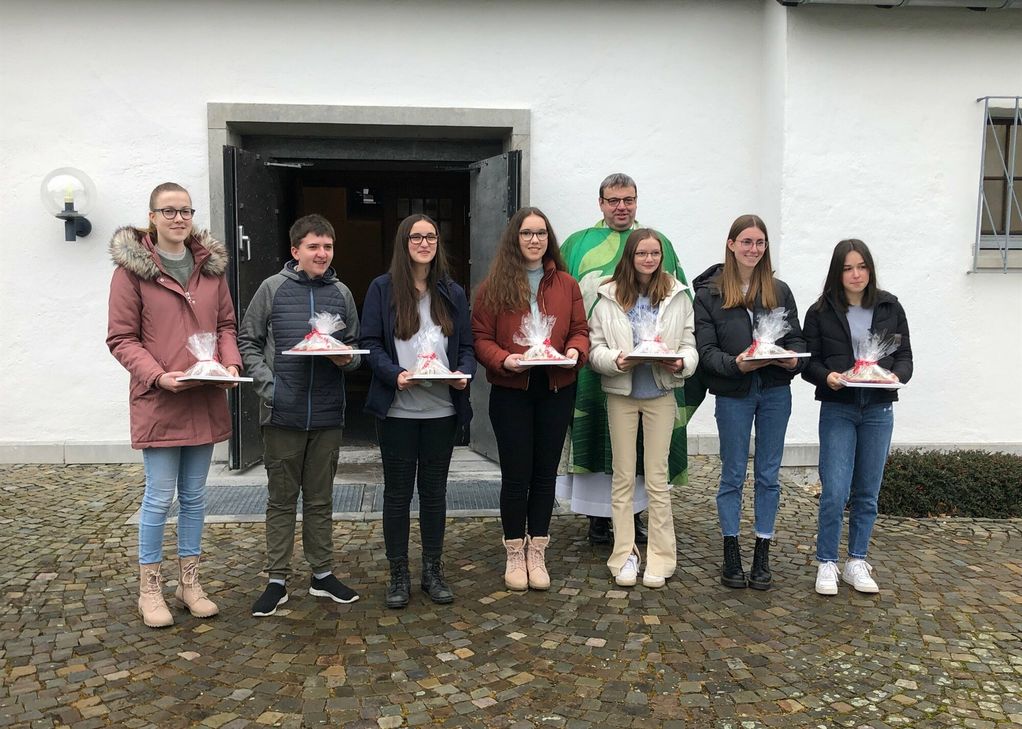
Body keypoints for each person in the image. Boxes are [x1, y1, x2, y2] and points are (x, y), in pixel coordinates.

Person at [107, 182, 242, 628]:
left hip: (203, 397)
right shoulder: (132, 273)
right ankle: (150, 589)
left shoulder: (210, 269)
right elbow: (121, 339)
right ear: (152, 217)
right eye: (168, 211)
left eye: (184, 210)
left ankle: (189, 583)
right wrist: (159, 376)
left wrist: (229, 363)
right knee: (159, 497)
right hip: (160, 399)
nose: (178, 218)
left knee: (196, 497)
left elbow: (225, 324)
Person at [557, 173, 694, 546]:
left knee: (644, 449)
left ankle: (637, 514)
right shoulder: (577, 243)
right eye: (613, 200)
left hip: (655, 370)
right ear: (600, 202)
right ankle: (596, 519)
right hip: (594, 360)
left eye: (628, 199)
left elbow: (681, 305)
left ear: (636, 201)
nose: (621, 206)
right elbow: (559, 296)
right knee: (599, 438)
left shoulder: (658, 241)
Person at [239, 214, 363, 617]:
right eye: (313, 246)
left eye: (327, 246)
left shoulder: (342, 293)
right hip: (282, 413)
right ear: (296, 251)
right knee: (281, 500)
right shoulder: (272, 289)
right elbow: (248, 340)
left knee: (321, 499)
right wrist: (268, 385)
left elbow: (355, 348)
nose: (322, 253)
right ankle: (277, 579)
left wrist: (346, 361)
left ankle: (322, 574)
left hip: (328, 414)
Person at [361, 214, 475, 608]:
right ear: (404, 242)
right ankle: (398, 574)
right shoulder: (382, 289)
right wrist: (395, 375)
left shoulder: (452, 292)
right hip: (397, 411)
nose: (424, 243)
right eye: (416, 237)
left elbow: (466, 347)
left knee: (434, 494)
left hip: (442, 409)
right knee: (396, 495)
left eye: (431, 236)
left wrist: (464, 374)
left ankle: (432, 570)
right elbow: (370, 343)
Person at [472, 207, 589, 591]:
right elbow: (481, 338)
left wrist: (574, 352)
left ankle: (537, 548)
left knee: (544, 474)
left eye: (540, 233)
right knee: (515, 474)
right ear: (515, 239)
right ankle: (514, 551)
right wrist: (504, 359)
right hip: (512, 391)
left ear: (548, 238)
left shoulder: (567, 285)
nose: (534, 240)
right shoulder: (494, 287)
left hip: (556, 387)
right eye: (526, 233)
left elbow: (579, 330)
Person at [693, 214, 805, 591]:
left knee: (769, 475)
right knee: (732, 473)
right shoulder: (709, 293)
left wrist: (791, 360)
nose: (753, 249)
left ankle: (762, 550)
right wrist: (736, 365)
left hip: (775, 391)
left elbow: (799, 341)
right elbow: (706, 352)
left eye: (759, 243)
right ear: (731, 245)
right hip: (734, 393)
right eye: (746, 242)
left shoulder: (780, 290)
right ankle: (730, 549)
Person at [588, 229, 698, 588]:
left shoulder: (677, 295)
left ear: (661, 257)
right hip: (621, 393)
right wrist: (614, 360)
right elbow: (595, 347)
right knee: (622, 478)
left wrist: (682, 363)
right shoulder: (609, 294)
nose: (648, 259)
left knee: (657, 479)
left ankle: (662, 558)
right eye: (642, 254)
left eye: (654, 254)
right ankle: (624, 556)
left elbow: (689, 343)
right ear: (630, 257)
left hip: (660, 396)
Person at [802, 240, 912, 596]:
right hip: (839, 407)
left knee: (867, 491)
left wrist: (898, 376)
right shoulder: (820, 311)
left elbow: (904, 355)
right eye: (848, 268)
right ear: (838, 271)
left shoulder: (889, 306)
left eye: (862, 266)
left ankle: (857, 560)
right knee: (834, 490)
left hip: (878, 408)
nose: (856, 274)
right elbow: (808, 361)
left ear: (870, 269)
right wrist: (827, 377)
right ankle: (827, 562)